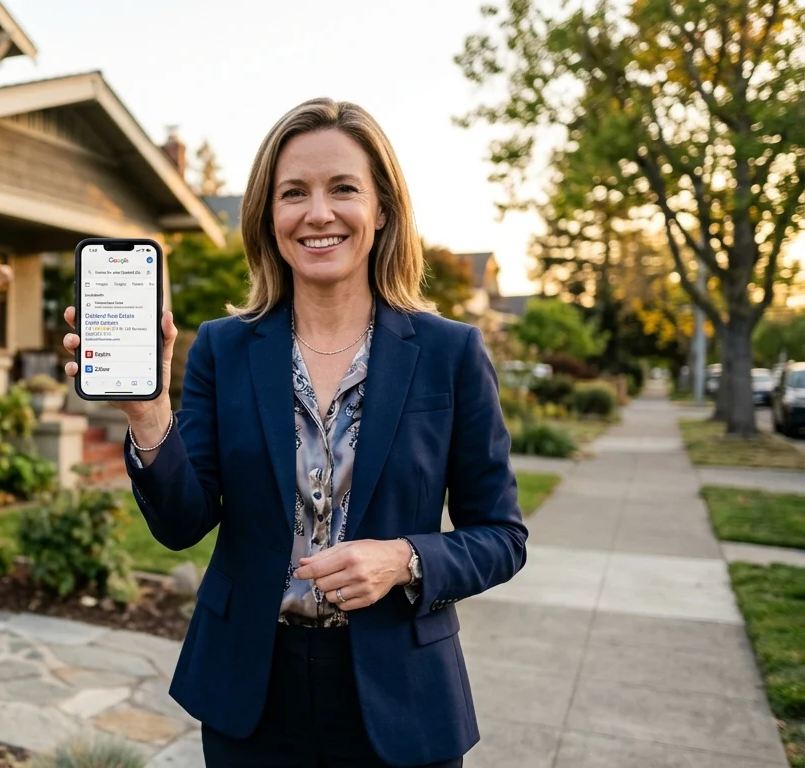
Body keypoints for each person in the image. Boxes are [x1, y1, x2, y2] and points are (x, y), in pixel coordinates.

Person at [61, 98, 527, 767]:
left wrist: (404, 559)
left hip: (401, 697)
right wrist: (148, 415)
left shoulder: (450, 353)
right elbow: (182, 524)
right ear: (268, 216)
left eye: (343, 189)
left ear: (383, 210)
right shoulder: (225, 348)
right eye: (293, 193)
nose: (318, 213)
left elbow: (502, 537)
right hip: (251, 692)